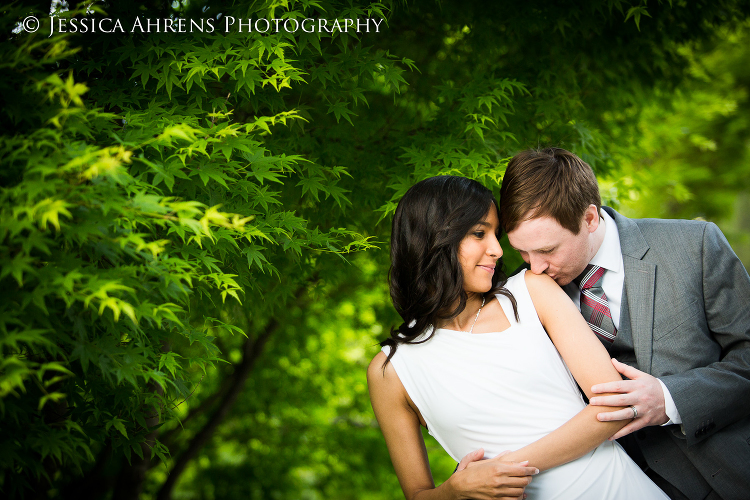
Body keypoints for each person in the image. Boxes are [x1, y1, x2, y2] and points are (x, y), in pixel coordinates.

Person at [367, 176, 669, 500]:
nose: (497, 250)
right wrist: (456, 489)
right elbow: (417, 495)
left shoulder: (532, 291)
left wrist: (500, 471)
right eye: (479, 233)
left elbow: (615, 407)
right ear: (433, 239)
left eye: (496, 235)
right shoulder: (391, 371)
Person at [485, 147, 750, 500]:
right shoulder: (520, 297)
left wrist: (670, 399)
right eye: (522, 252)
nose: (535, 268)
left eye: (547, 250)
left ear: (590, 218)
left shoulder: (693, 247)